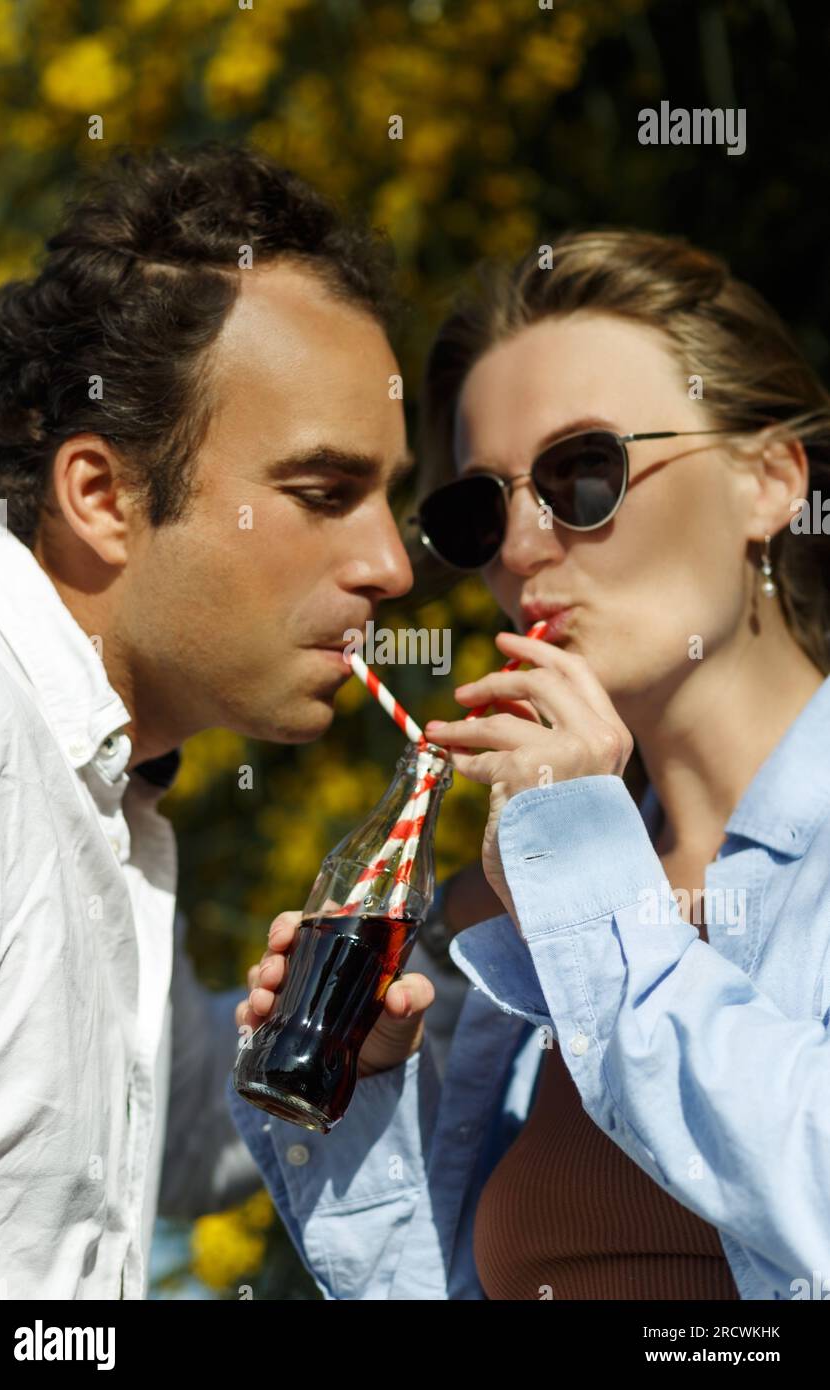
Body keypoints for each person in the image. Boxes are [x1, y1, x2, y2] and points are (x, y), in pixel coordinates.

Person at [229, 229, 830, 1301]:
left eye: (580, 472)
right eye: (479, 509)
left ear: (767, 480)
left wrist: (591, 884)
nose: (518, 547)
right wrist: (364, 1094)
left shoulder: (575, 882)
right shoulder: (512, 903)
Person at [0, 141, 456, 1298]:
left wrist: (348, 1019)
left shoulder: (96, 772)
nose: (390, 564)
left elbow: (156, 1132)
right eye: (322, 494)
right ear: (103, 495)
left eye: (388, 498)